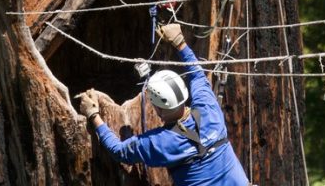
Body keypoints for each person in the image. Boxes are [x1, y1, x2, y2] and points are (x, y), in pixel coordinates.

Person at [79, 24, 250, 185]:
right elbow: (197, 76)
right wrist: (179, 42)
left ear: (158, 109)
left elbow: (119, 151)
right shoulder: (209, 110)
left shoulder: (161, 143)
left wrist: (93, 115)